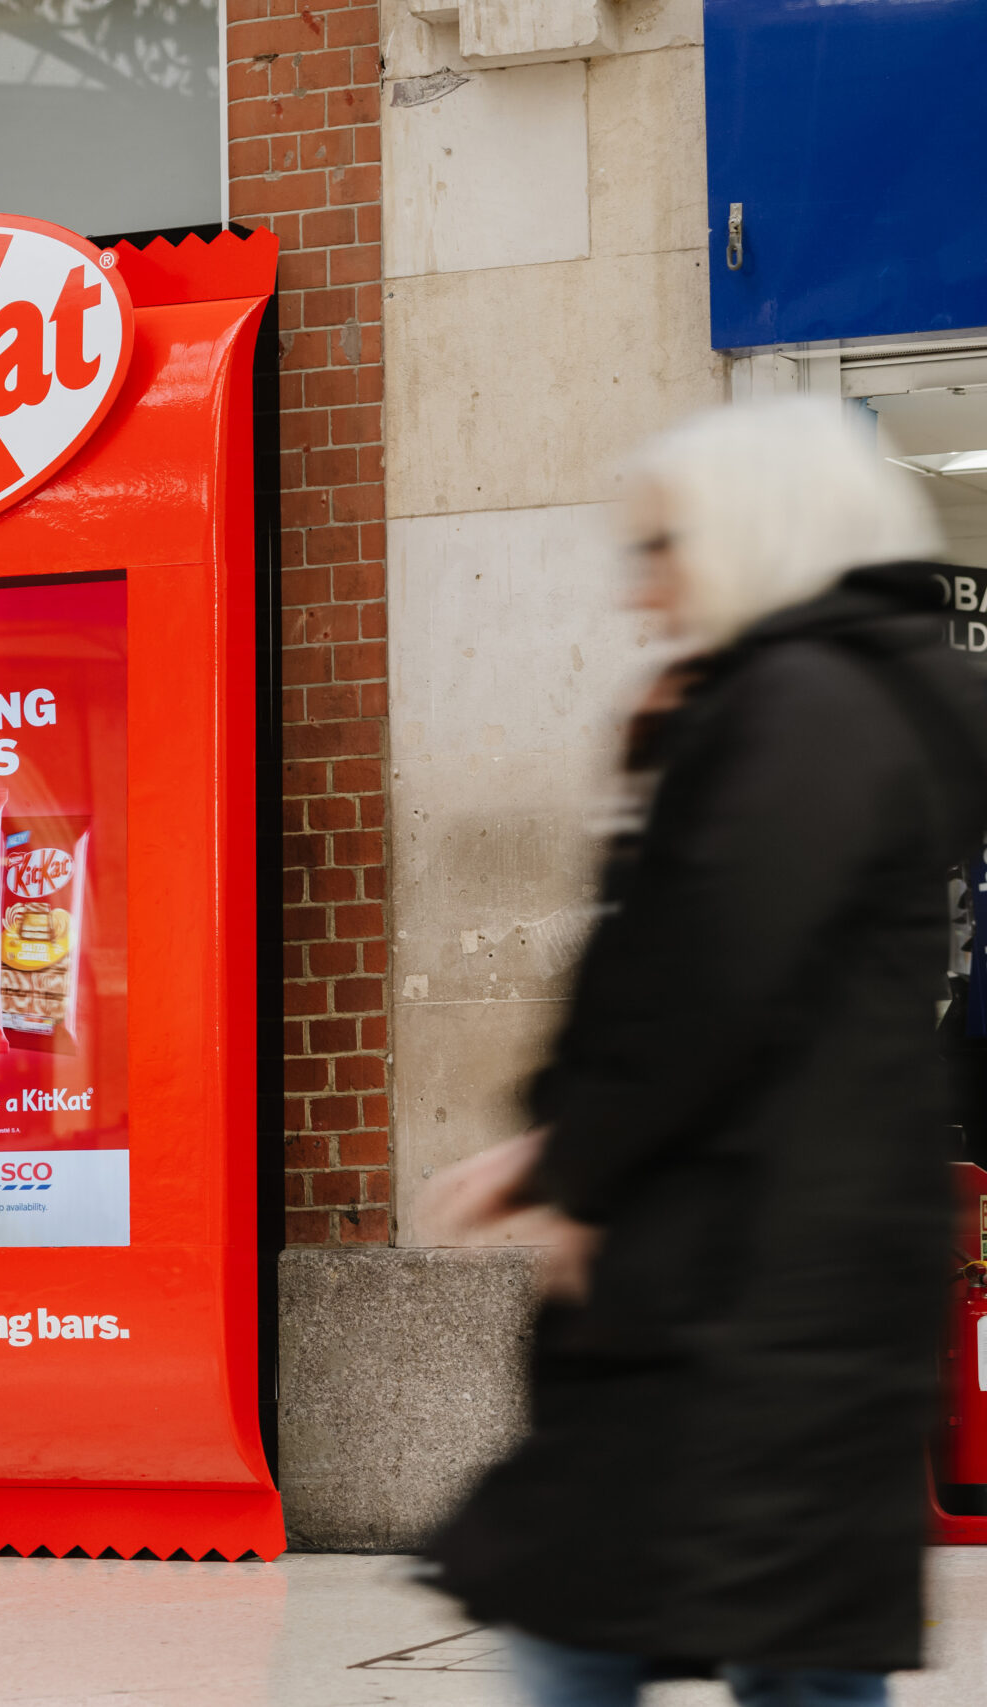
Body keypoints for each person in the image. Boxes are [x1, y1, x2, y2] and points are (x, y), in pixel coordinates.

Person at [427, 399, 987, 1706]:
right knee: (786, 1640)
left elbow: (708, 970)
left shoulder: (804, 703)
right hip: (794, 1270)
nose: (642, 589)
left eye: (664, 545)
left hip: (745, 1286)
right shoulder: (841, 696)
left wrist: (577, 1163)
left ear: (751, 534)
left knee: (590, 1616)